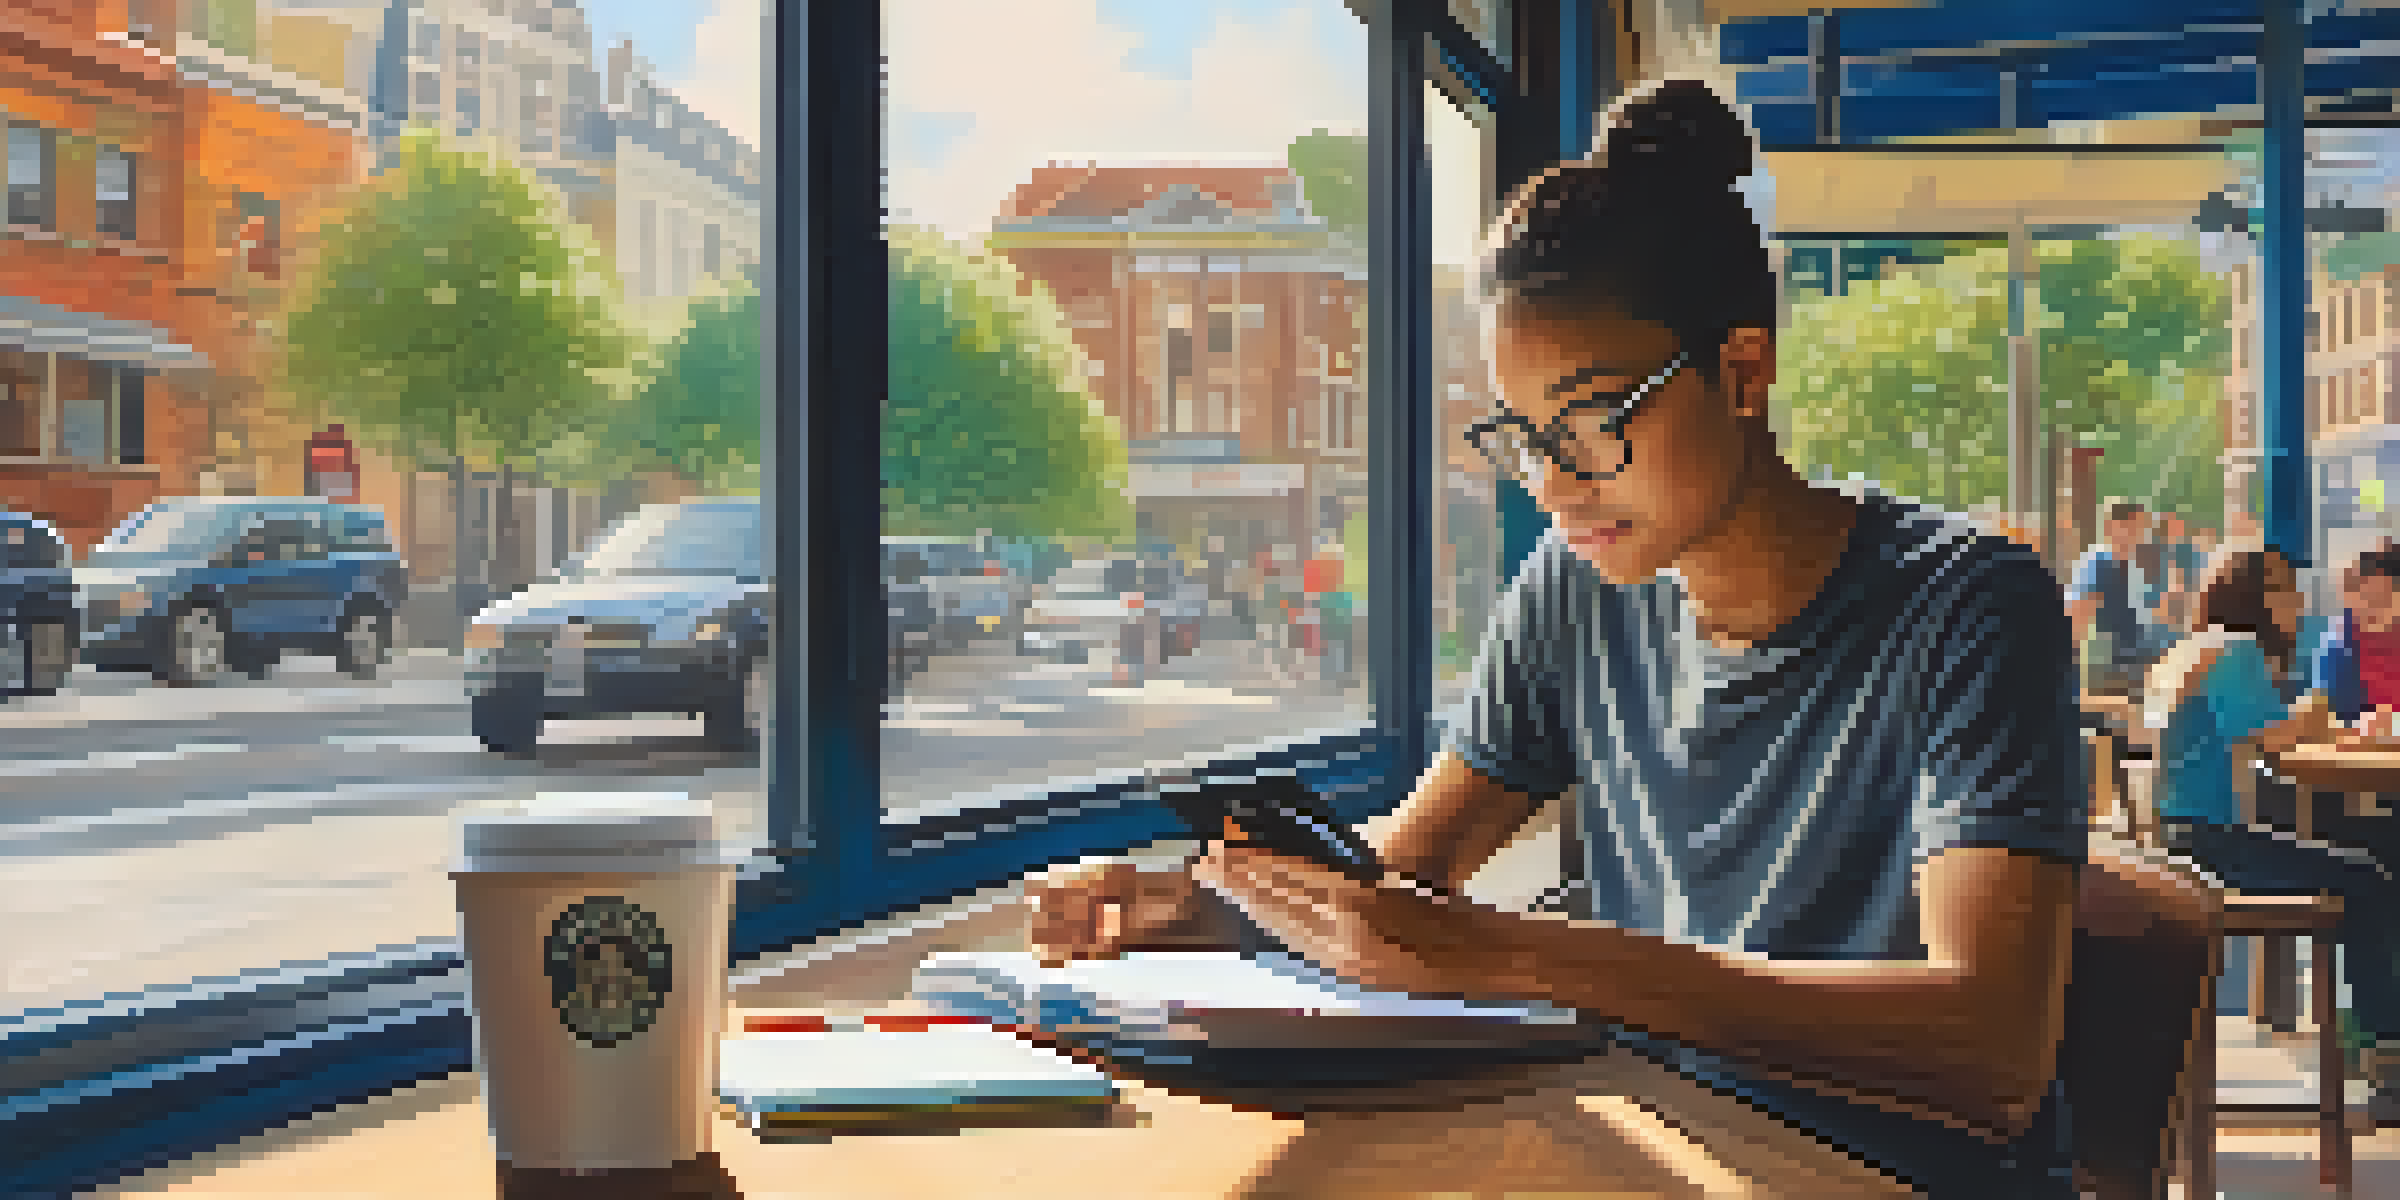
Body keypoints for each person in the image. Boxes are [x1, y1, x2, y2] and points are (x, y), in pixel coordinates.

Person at [1033, 79, 2085, 1198]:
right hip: (1665, 1150)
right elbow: (1405, 869)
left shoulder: (1970, 603)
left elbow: (1991, 1052)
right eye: (1526, 438)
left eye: (1592, 425)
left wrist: (1507, 954)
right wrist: (1193, 906)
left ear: (1742, 371)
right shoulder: (1578, 591)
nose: (1551, 485)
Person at [2143, 546, 2400, 1121]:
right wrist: (2319, 712)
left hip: (2176, 842)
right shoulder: (2235, 651)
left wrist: (2311, 716)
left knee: (2363, 868)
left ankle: (2380, 1054)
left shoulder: (2191, 649)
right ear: (2254, 598)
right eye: (2284, 589)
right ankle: (2389, 1066)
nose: (2298, 601)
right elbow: (2274, 738)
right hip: (2210, 844)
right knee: (2370, 878)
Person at [2068, 503, 2163, 692]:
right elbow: (2080, 612)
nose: (2137, 534)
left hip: (2139, 659)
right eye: (2131, 527)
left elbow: (2150, 614)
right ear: (2113, 526)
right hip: (2104, 658)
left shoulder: (2142, 564)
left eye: (2141, 528)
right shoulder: (2096, 563)